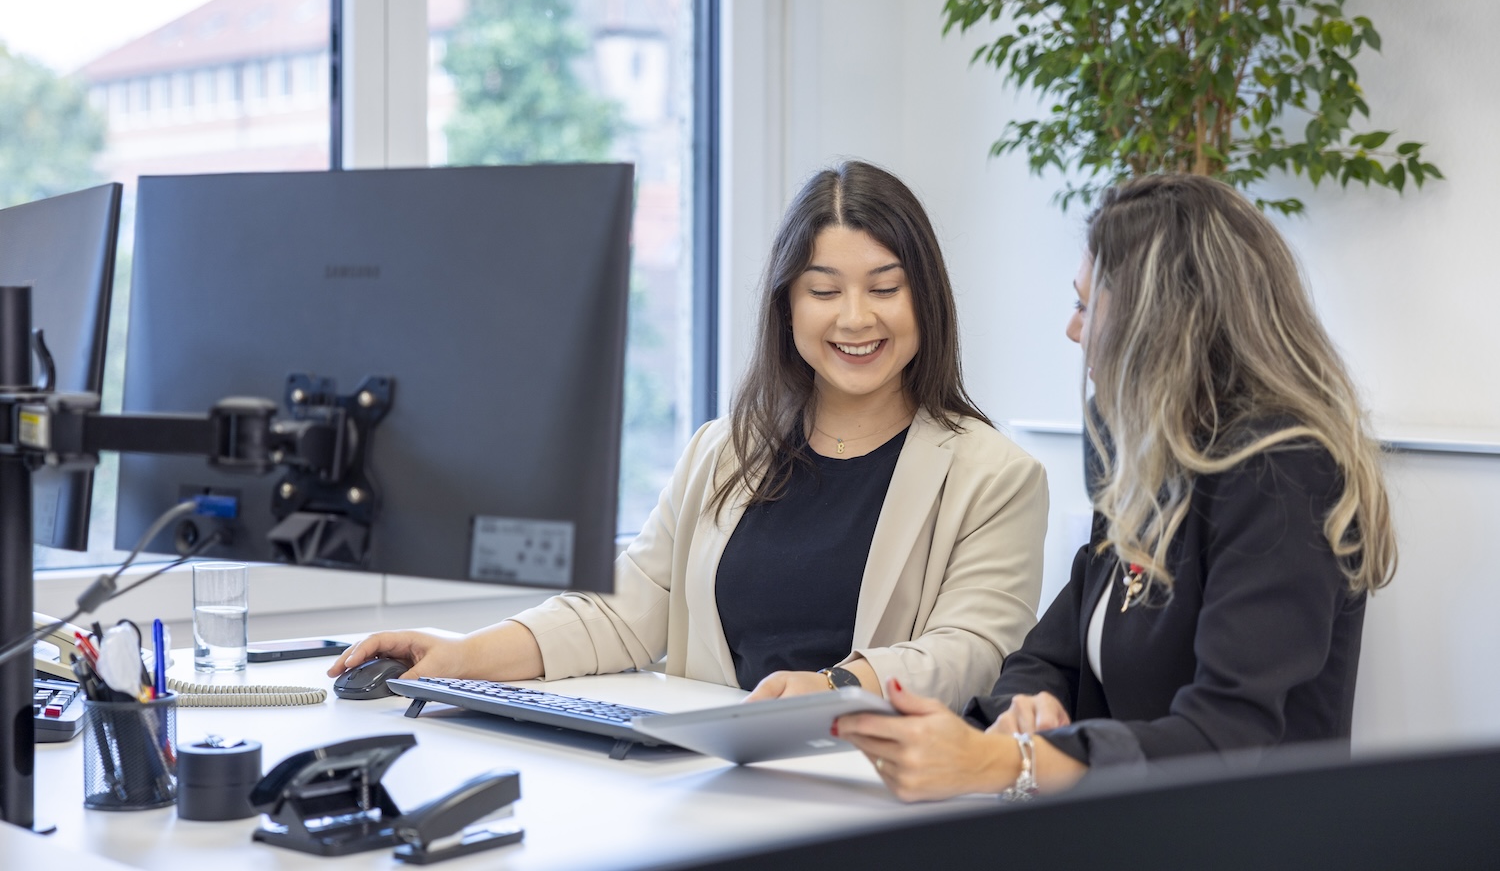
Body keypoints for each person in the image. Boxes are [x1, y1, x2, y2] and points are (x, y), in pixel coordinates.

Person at [331, 160, 1049, 709]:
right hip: (716, 782)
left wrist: (836, 686)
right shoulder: (724, 451)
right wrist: (461, 655)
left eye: (885, 288)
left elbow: (972, 653)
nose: (856, 318)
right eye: (825, 291)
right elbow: (621, 613)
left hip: (877, 791)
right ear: (788, 307)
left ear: (926, 301)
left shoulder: (995, 476)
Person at [835, 173, 1396, 799]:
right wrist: (1025, 711)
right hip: (1132, 824)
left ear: (1158, 320)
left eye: (1084, 305)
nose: (1072, 331)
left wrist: (1010, 762)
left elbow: (1225, 736)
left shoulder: (1284, 473)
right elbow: (1049, 658)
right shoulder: (1152, 465)